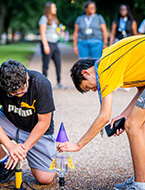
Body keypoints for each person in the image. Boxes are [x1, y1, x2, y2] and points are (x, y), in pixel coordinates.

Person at [57, 35, 145, 190]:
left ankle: (140, 184)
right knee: (139, 125)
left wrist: (78, 145)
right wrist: (123, 115)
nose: (93, 89)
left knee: (133, 125)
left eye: (87, 87)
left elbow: (104, 116)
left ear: (86, 73)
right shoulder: (109, 59)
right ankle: (141, 177)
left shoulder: (104, 68)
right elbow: (142, 90)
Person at [0, 60, 56, 184]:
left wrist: (22, 150)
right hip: (9, 122)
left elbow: (44, 122)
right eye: (13, 93)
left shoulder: (41, 84)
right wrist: (10, 147)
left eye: (22, 90)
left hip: (35, 129)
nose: (19, 95)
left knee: (45, 178)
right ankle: (4, 161)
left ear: (26, 76)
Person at [39, 2, 67, 89]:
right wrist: (45, 45)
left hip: (55, 44)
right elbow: (42, 33)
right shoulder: (44, 18)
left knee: (58, 63)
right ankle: (44, 84)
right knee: (46, 64)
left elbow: (56, 32)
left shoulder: (54, 19)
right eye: (53, 8)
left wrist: (60, 33)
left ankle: (59, 82)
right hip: (48, 43)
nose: (55, 9)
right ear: (48, 9)